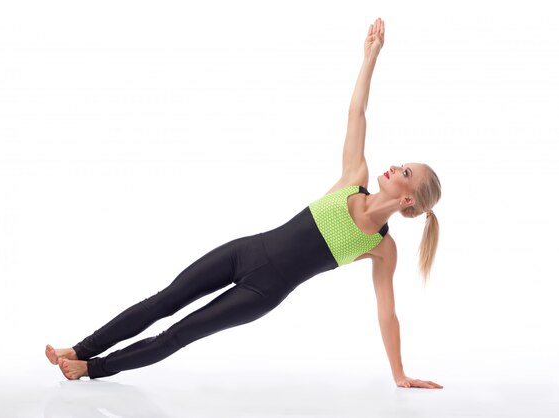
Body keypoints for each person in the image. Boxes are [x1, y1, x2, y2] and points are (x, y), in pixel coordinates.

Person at [45, 17, 443, 389]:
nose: (395, 167)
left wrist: (400, 373)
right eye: (403, 164)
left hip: (261, 293)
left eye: (405, 172)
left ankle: (91, 369)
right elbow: (357, 112)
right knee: (163, 301)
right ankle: (79, 349)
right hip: (244, 251)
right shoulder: (353, 178)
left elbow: (387, 314)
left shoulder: (381, 248)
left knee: (178, 334)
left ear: (408, 199)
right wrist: (370, 56)